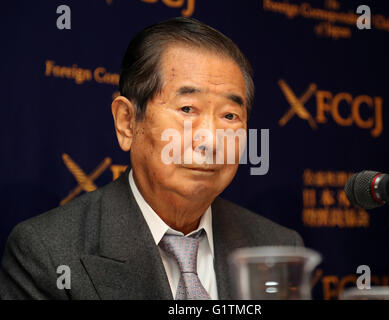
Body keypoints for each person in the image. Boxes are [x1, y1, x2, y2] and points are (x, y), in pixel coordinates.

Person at [0, 17, 303, 300]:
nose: (211, 140)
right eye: (187, 109)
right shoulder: (46, 253)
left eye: (229, 115)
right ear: (127, 122)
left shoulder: (278, 249)